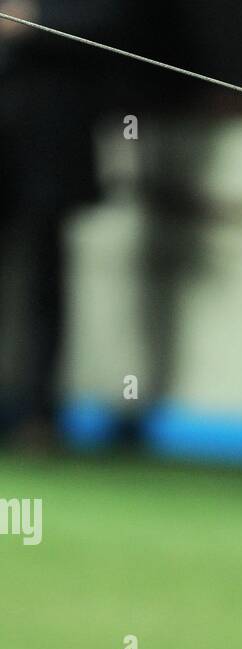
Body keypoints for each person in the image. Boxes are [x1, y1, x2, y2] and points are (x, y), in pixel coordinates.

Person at [0, 2, 139, 445]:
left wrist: (30, 19)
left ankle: (40, 414)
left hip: (49, 139)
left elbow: (113, 23)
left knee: (45, 278)